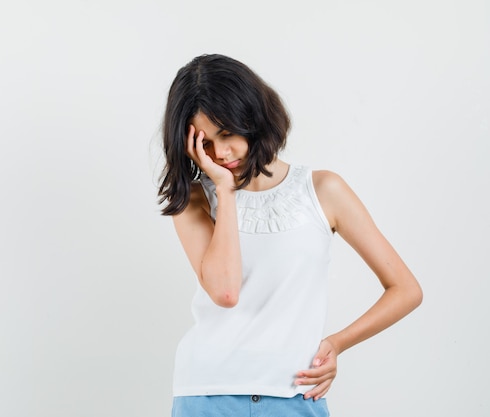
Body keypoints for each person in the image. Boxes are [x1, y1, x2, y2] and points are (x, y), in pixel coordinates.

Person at [157, 54, 423, 417]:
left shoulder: (323, 190)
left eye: (227, 133)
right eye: (205, 143)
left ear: (252, 118)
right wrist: (226, 191)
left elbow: (406, 289)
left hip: (295, 394)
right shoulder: (196, 200)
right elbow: (225, 292)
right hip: (206, 393)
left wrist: (336, 344)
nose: (220, 153)